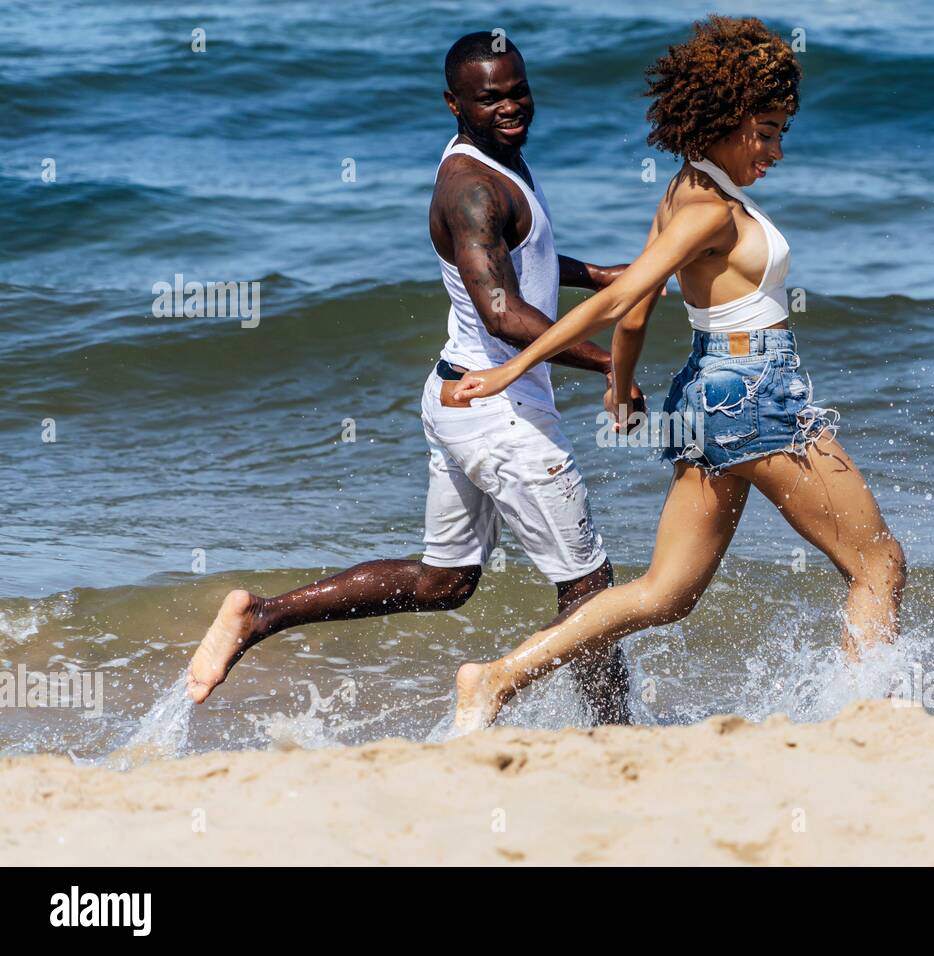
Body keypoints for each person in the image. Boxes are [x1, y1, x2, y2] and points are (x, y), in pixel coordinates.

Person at [448, 15, 907, 732]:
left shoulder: (681, 190)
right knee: (879, 563)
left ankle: (497, 678)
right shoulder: (709, 210)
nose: (777, 150)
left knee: (666, 592)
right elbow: (620, 298)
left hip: (706, 394)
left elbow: (635, 317)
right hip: (754, 396)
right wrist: (514, 371)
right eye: (765, 131)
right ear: (722, 119)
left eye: (782, 131)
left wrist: (618, 385)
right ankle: (866, 722)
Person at [186, 32, 656, 725]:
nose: (510, 106)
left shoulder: (498, 162)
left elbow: (520, 256)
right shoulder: (470, 189)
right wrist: (611, 365)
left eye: (517, 89)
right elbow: (502, 311)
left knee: (445, 582)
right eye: (489, 97)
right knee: (589, 584)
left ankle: (260, 616)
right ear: (453, 104)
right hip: (498, 410)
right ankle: (613, 735)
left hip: (460, 395)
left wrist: (605, 276)